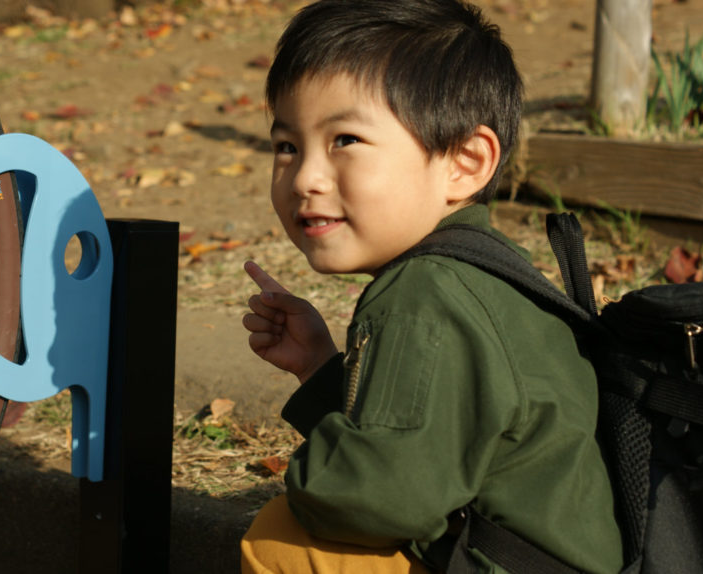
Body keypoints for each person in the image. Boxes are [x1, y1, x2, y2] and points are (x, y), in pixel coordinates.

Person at [239, 1, 624, 572]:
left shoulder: (424, 296)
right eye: (287, 146)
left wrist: (310, 473)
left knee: (278, 538)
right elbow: (427, 449)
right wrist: (322, 370)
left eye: (344, 139)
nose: (305, 178)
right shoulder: (483, 271)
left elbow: (379, 500)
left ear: (465, 162)